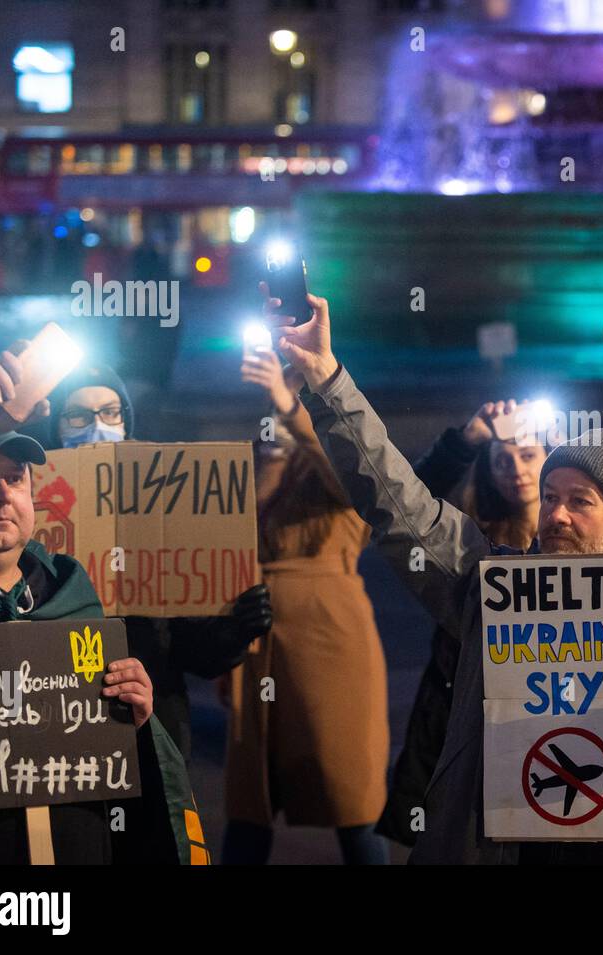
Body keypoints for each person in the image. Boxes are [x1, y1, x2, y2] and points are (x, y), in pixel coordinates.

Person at [266, 285, 603, 864]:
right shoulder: (493, 589)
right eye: (550, 497)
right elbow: (398, 501)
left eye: (580, 501)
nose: (556, 515)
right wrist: (328, 380)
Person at [0, 346, 201, 864]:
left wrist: (136, 719)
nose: (3, 493)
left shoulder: (72, 598)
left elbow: (120, 775)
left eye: (17, 477)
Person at [45, 363, 273, 763]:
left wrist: (233, 629)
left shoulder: (164, 513)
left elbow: (192, 654)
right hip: (57, 723)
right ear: (56, 427)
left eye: (110, 412)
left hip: (156, 728)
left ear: (125, 422)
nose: (97, 425)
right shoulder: (28, 513)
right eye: (78, 415)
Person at [221, 348, 390, 865]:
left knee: (351, 794)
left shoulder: (339, 457)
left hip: (329, 639)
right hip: (255, 631)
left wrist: (290, 412)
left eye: (296, 383)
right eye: (277, 381)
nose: (282, 391)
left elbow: (354, 487)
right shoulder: (249, 459)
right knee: (249, 801)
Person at [378, 400, 548, 847]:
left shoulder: (577, 534)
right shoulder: (472, 538)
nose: (516, 469)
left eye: (528, 455)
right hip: (467, 711)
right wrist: (467, 440)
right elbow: (406, 499)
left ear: (552, 456)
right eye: (502, 459)